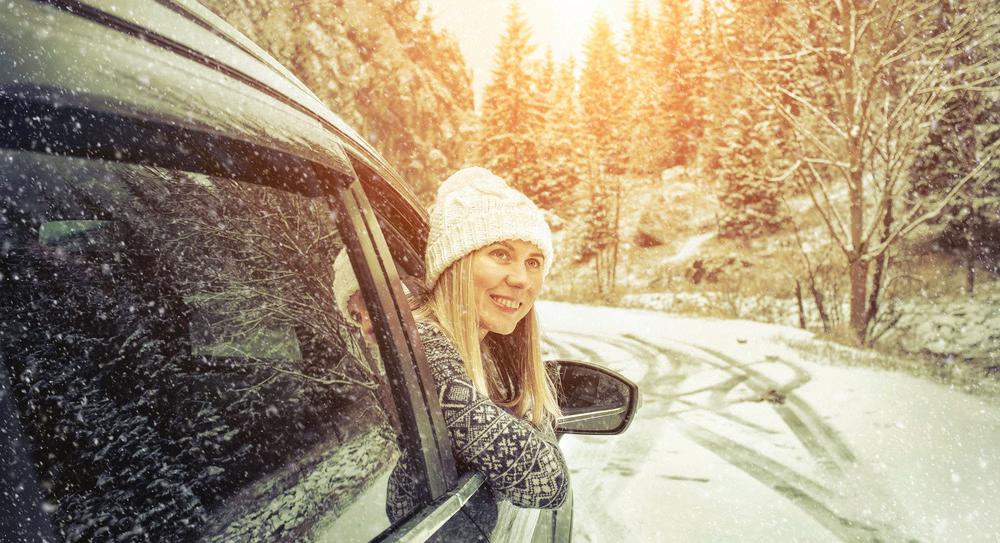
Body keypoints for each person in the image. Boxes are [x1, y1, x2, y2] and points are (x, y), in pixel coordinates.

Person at [332, 167, 569, 524]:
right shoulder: (423, 350)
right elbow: (547, 482)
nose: (522, 279)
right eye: (501, 254)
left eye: (533, 261)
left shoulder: (490, 348)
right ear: (454, 264)